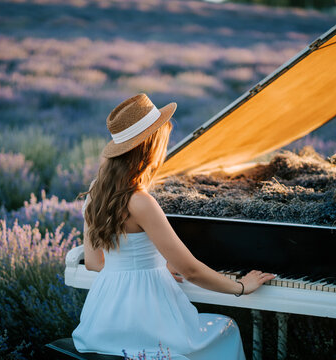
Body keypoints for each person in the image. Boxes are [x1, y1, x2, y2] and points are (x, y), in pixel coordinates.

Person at [72, 93, 276, 359]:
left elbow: (93, 262)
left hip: (104, 320)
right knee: (226, 330)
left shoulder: (95, 192)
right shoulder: (141, 202)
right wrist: (241, 287)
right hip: (147, 320)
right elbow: (190, 271)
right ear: (151, 145)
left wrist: (155, 263)